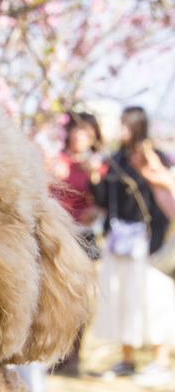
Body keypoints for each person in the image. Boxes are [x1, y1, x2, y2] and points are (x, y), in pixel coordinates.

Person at [89, 107, 175, 386]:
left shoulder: (155, 159)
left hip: (146, 240)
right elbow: (104, 201)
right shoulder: (114, 160)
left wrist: (156, 242)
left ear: (138, 125)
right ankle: (127, 360)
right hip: (118, 240)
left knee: (154, 298)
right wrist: (94, 177)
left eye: (125, 124)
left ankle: (160, 361)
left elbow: (163, 204)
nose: (121, 129)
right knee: (120, 298)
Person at [50, 112, 105, 376]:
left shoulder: (98, 166)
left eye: (87, 132)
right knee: (53, 294)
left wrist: (95, 182)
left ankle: (73, 359)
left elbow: (104, 202)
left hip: (83, 236)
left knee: (81, 298)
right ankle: (51, 356)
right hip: (57, 235)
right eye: (77, 130)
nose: (81, 136)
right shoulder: (54, 161)